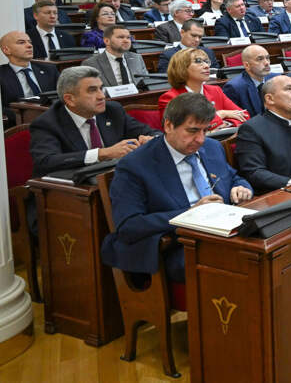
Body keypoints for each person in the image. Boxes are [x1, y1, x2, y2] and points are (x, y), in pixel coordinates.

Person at [101, 93, 253, 282]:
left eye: (205, 130)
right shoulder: (136, 165)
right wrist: (191, 214)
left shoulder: (212, 147)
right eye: (192, 131)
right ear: (168, 125)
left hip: (225, 231)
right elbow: (128, 226)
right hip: (179, 245)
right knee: (245, 264)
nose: (200, 139)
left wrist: (241, 187)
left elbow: (233, 177)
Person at [29, 66, 158, 177]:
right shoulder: (47, 123)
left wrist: (150, 139)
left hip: (113, 180)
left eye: (101, 88)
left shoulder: (113, 111)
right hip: (70, 190)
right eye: (92, 90)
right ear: (70, 99)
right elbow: (46, 161)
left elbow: (152, 133)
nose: (101, 96)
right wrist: (102, 154)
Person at [159, 47, 247, 129]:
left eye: (206, 61)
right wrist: (221, 114)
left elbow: (244, 115)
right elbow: (187, 128)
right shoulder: (170, 98)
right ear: (182, 68)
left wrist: (227, 124)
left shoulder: (215, 90)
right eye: (198, 61)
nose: (206, 66)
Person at [1, 31, 59, 126]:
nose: (29, 45)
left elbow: (61, 96)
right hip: (19, 125)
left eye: (30, 42)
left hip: (52, 120)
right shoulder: (2, 75)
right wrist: (24, 115)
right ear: (6, 50)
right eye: (21, 42)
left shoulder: (49, 69)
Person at [222, 45, 281, 117]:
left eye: (267, 58)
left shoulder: (276, 79)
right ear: (247, 65)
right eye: (260, 59)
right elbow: (236, 118)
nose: (267, 63)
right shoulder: (234, 87)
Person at [82, 24, 149, 87]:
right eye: (121, 37)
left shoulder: (137, 58)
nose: (126, 41)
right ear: (107, 41)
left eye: (128, 37)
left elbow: (146, 82)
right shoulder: (91, 64)